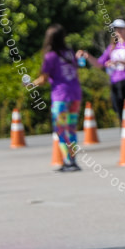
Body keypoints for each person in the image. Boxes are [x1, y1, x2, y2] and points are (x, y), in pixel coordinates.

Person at [82, 18, 125, 150]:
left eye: (121, 29)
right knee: (121, 116)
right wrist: (87, 56)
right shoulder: (112, 48)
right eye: (116, 29)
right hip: (117, 85)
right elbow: (100, 64)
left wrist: (120, 61)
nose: (118, 32)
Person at [32, 25, 83, 172]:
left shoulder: (50, 56)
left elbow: (43, 79)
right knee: (71, 129)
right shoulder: (69, 53)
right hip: (75, 94)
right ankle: (73, 159)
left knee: (61, 129)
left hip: (61, 96)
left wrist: (32, 84)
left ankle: (68, 161)